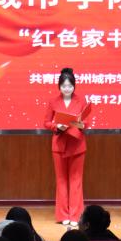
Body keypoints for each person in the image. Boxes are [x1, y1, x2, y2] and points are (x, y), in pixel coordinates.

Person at [43, 67, 90, 227]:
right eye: (64, 86)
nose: (67, 89)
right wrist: (57, 126)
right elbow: (46, 122)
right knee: (61, 180)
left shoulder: (81, 100)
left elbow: (87, 121)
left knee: (76, 180)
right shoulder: (53, 101)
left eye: (70, 86)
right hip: (59, 144)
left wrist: (81, 124)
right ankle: (63, 214)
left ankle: (76, 215)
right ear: (59, 86)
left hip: (77, 144)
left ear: (74, 86)